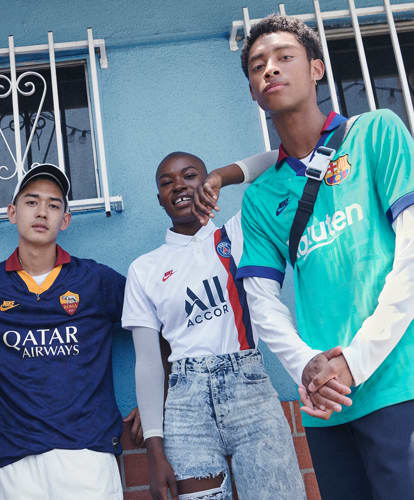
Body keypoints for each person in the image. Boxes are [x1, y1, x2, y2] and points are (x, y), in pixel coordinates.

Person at [196, 14, 414, 500]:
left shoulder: (376, 132)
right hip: (326, 403)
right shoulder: (261, 195)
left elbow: (411, 256)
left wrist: (356, 360)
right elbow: (261, 300)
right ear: (253, 91)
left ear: (317, 69)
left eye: (284, 57)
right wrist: (306, 367)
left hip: (400, 381)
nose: (269, 69)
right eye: (257, 66)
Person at [121, 151, 308, 500]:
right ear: (159, 199)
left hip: (250, 392)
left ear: (206, 182)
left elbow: (285, 156)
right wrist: (154, 450)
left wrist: (222, 176)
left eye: (190, 176)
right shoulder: (144, 269)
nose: (179, 186)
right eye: (167, 182)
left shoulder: (239, 232)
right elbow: (147, 363)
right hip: (185, 408)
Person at [0, 163, 134, 499]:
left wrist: (156, 401)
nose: (42, 212)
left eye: (53, 204)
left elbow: (159, 320)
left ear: (65, 219)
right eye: (32, 202)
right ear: (12, 213)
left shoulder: (95, 280)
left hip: (88, 457)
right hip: (15, 460)